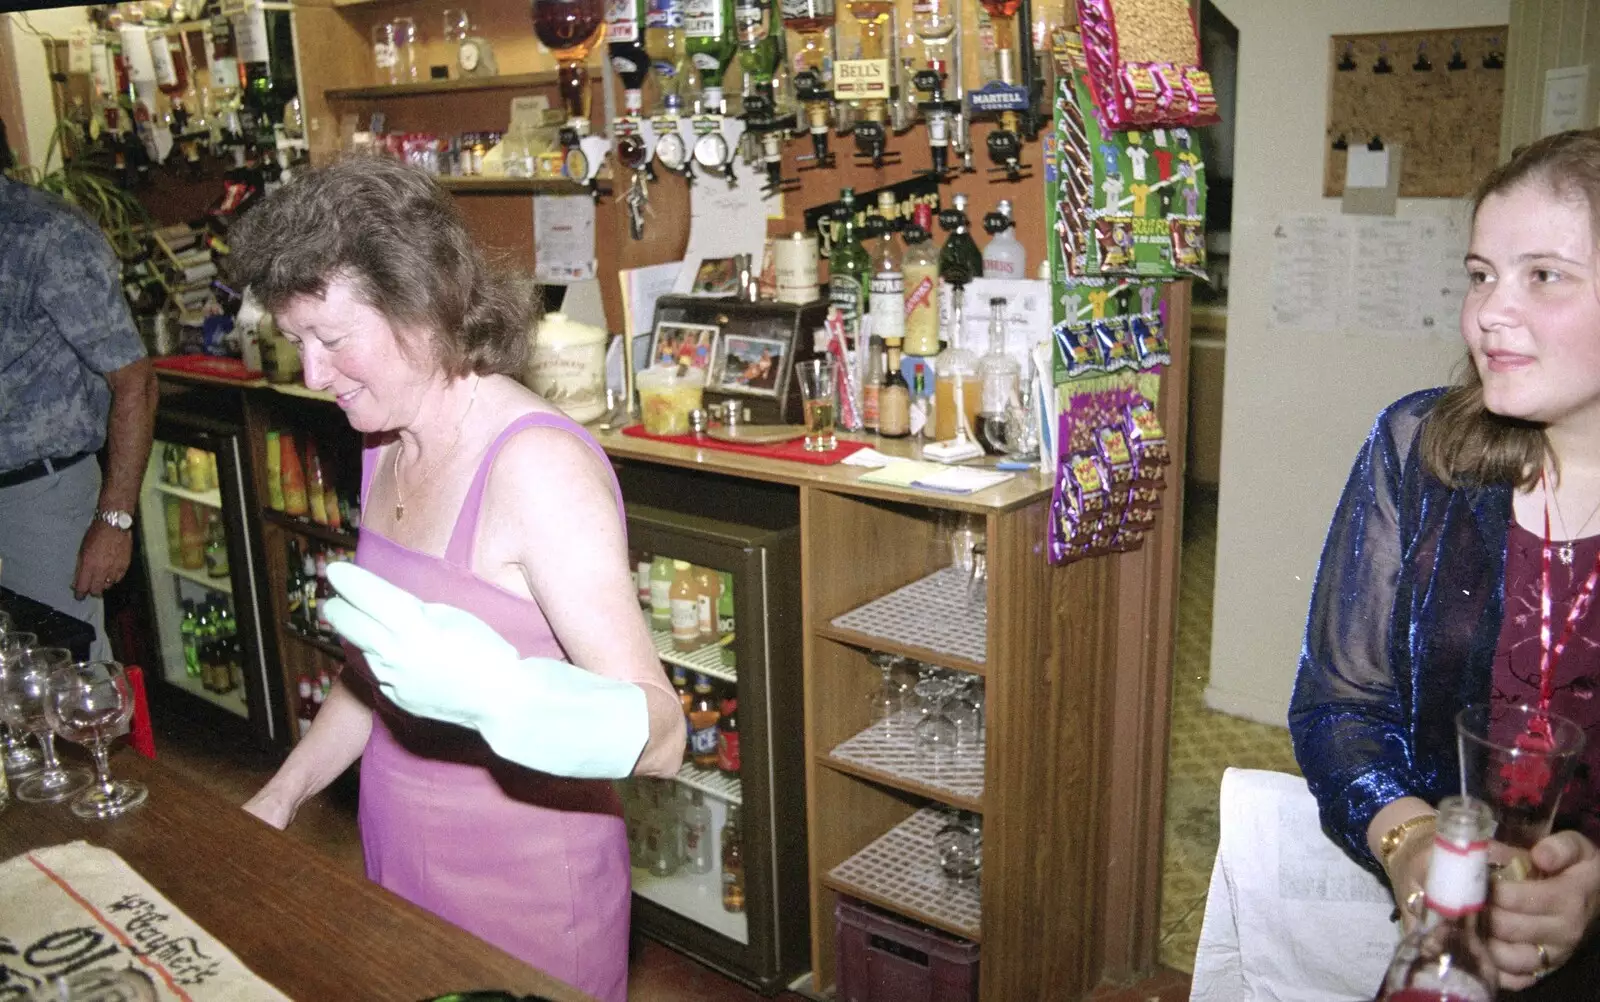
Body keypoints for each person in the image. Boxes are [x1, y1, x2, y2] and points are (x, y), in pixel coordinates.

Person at [229, 156, 685, 1002]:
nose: (313, 374)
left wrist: (502, 699)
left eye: (331, 340)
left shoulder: (535, 467)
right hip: (399, 853)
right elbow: (378, 671)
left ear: (424, 306)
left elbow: (662, 737)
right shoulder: (381, 440)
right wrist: (284, 795)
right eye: (296, 343)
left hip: (530, 893)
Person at [1290, 129, 1600, 997]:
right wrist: (1410, 839)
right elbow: (1337, 703)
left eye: (1543, 275)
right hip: (1438, 950)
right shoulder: (1422, 451)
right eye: (1480, 274)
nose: (1488, 313)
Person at [0, 173, 157, 658]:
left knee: (66, 670)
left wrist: (115, 521)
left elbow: (136, 383)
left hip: (38, 497)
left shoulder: (46, 232)